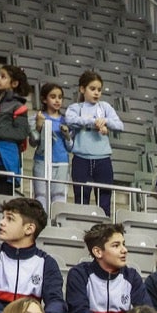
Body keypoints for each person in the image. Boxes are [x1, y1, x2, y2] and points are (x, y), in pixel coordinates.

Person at [0, 196, 79, 313]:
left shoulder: (47, 263)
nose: (2, 222)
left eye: (9, 219)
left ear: (29, 229)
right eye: (3, 217)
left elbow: (56, 301)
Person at [66, 221, 151, 313]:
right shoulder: (79, 274)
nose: (124, 250)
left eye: (123, 244)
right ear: (98, 252)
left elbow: (147, 311)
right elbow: (79, 312)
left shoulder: (132, 276)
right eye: (116, 245)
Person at [65, 70, 122, 212]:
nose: (96, 93)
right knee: (81, 199)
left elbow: (120, 126)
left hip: (103, 159)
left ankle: (103, 225)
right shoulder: (75, 108)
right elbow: (70, 120)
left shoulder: (105, 107)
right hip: (81, 159)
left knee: (104, 202)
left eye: (99, 90)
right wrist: (93, 122)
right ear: (82, 89)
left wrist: (105, 121)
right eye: (92, 89)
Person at [0, 64, 29, 197]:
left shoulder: (19, 106)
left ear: (14, 83)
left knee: (2, 199)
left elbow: (20, 133)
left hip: (6, 159)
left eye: (3, 77)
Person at [30, 80, 71, 205]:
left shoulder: (66, 120)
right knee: (41, 197)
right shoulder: (37, 117)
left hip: (62, 162)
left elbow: (70, 147)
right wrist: (38, 126)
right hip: (42, 161)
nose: (57, 100)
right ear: (44, 99)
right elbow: (33, 142)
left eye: (60, 97)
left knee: (59, 198)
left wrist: (67, 135)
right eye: (53, 97)